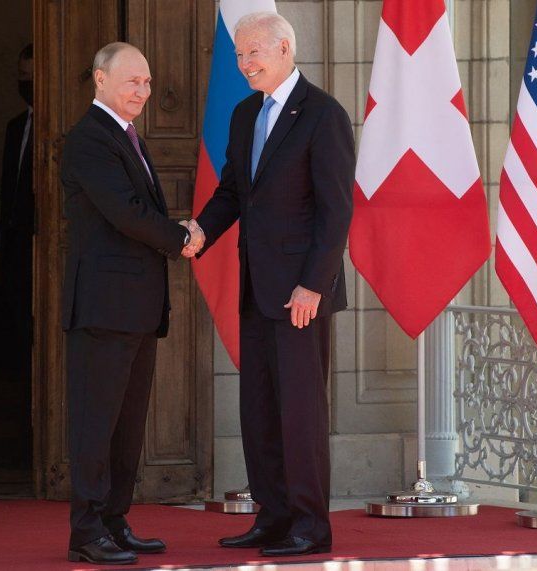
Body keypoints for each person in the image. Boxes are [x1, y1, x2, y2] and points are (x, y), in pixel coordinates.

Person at [190, 11, 354, 557]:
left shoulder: (323, 114)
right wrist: (200, 232)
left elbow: (336, 211)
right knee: (259, 410)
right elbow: (233, 192)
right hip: (256, 289)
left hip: (301, 294)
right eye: (239, 54)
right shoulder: (244, 115)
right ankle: (274, 516)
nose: (244, 63)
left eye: (253, 52)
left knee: (300, 414)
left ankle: (310, 526)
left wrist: (314, 285)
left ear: (284, 48)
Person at [60, 42, 201, 565]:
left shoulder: (126, 135)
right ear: (100, 80)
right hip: (103, 309)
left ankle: (114, 522)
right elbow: (124, 211)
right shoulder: (89, 139)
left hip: (135, 309)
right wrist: (180, 237)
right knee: (95, 425)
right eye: (131, 81)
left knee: (126, 427)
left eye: (146, 82)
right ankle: (86, 531)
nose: (142, 91)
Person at [0, 43, 34, 389]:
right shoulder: (15, 128)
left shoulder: (63, 131)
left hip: (42, 245)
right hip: (15, 247)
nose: (25, 84)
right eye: (21, 76)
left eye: (31, 78)